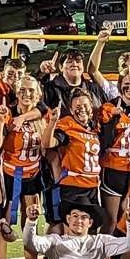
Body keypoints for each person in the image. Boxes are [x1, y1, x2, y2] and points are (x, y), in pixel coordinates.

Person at [0, 52, 44, 259]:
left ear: (38, 94)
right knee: (4, 224)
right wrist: (0, 123)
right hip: (10, 175)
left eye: (31, 91)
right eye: (22, 91)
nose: (26, 94)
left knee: (31, 227)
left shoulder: (42, 114)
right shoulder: (7, 112)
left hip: (33, 176)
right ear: (15, 93)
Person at [41, 88, 103, 230]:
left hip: (92, 187)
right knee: (70, 230)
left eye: (85, 106)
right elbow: (47, 144)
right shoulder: (68, 126)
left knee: (90, 229)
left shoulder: (93, 127)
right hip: (73, 186)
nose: (82, 110)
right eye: (78, 107)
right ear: (71, 109)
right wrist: (52, 122)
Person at [97, 70, 130, 234]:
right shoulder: (108, 108)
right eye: (127, 84)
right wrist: (114, 119)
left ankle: (119, 258)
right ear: (119, 86)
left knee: (125, 216)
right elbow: (105, 141)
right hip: (113, 168)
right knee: (110, 219)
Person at [87, 27, 130, 109]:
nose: (129, 69)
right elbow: (93, 72)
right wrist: (100, 43)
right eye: (124, 66)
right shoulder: (111, 88)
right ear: (119, 70)